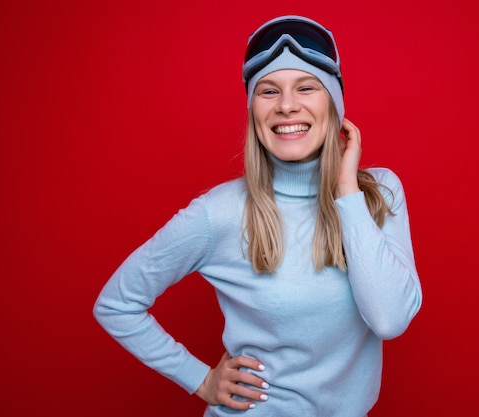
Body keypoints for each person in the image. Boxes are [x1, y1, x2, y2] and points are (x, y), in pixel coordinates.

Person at [94, 15, 422, 417]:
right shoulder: (220, 213)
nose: (287, 105)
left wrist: (346, 192)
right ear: (253, 111)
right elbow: (116, 304)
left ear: (334, 104)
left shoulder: (378, 193)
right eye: (269, 91)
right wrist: (199, 378)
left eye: (306, 87)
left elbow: (389, 319)